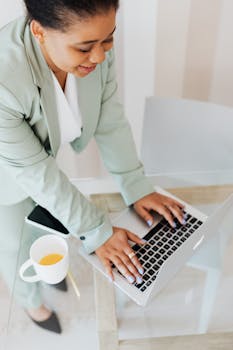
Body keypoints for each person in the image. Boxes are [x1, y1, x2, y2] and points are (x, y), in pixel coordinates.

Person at [0, 0, 185, 334]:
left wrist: (135, 183)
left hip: (38, 167)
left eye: (109, 39)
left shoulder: (94, 48)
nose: (100, 57)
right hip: (5, 180)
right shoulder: (3, 80)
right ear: (39, 31)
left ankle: (51, 274)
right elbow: (34, 171)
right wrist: (98, 232)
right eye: (85, 47)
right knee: (15, 245)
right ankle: (31, 302)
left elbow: (109, 117)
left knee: (48, 230)